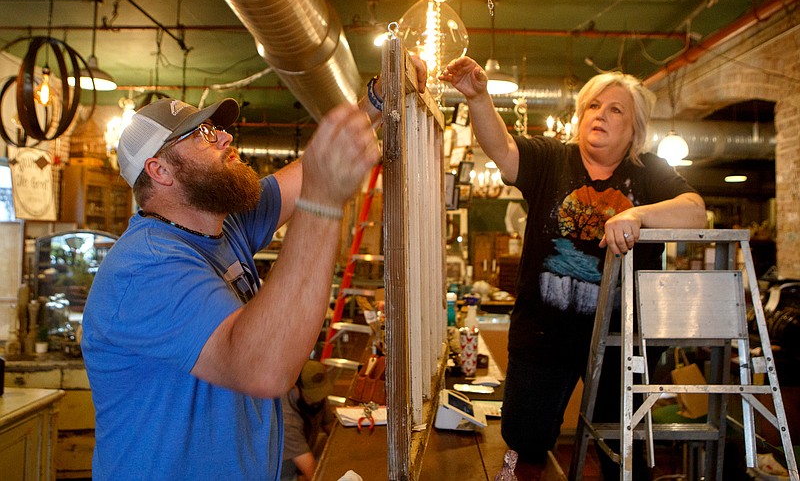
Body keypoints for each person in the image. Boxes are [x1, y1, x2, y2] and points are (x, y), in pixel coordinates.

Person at [81, 60, 426, 480]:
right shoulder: (145, 266)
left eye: (219, 129)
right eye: (204, 134)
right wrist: (323, 201)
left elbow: (303, 174)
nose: (226, 136)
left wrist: (374, 100)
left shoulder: (223, 225)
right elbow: (263, 367)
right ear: (160, 170)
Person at [439, 57, 707, 480]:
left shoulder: (650, 172)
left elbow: (696, 214)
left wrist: (638, 215)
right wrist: (478, 97)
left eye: (615, 109)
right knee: (525, 438)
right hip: (545, 329)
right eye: (594, 106)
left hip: (622, 337)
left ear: (634, 129)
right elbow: (503, 150)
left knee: (623, 451)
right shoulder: (551, 159)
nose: (600, 114)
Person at [280, 360, 335, 481]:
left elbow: (330, 426)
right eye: (313, 395)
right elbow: (312, 473)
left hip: (306, 458)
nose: (318, 399)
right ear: (295, 386)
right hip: (287, 475)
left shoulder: (316, 397)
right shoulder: (286, 419)